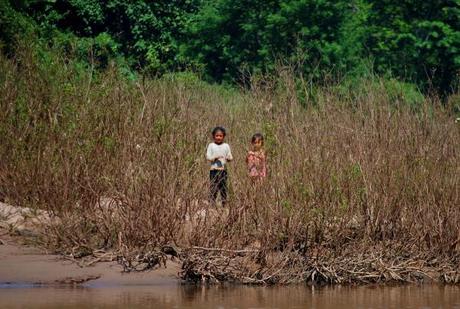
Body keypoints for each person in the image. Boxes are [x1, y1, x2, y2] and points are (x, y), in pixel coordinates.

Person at [206, 126, 233, 205]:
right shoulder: (211, 145)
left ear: (223, 136)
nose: (218, 137)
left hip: (223, 170)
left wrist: (229, 158)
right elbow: (208, 157)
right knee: (213, 187)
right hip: (213, 170)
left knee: (223, 187)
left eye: (220, 136)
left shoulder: (226, 146)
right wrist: (214, 158)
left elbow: (230, 156)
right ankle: (212, 203)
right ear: (213, 136)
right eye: (217, 135)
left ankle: (224, 204)